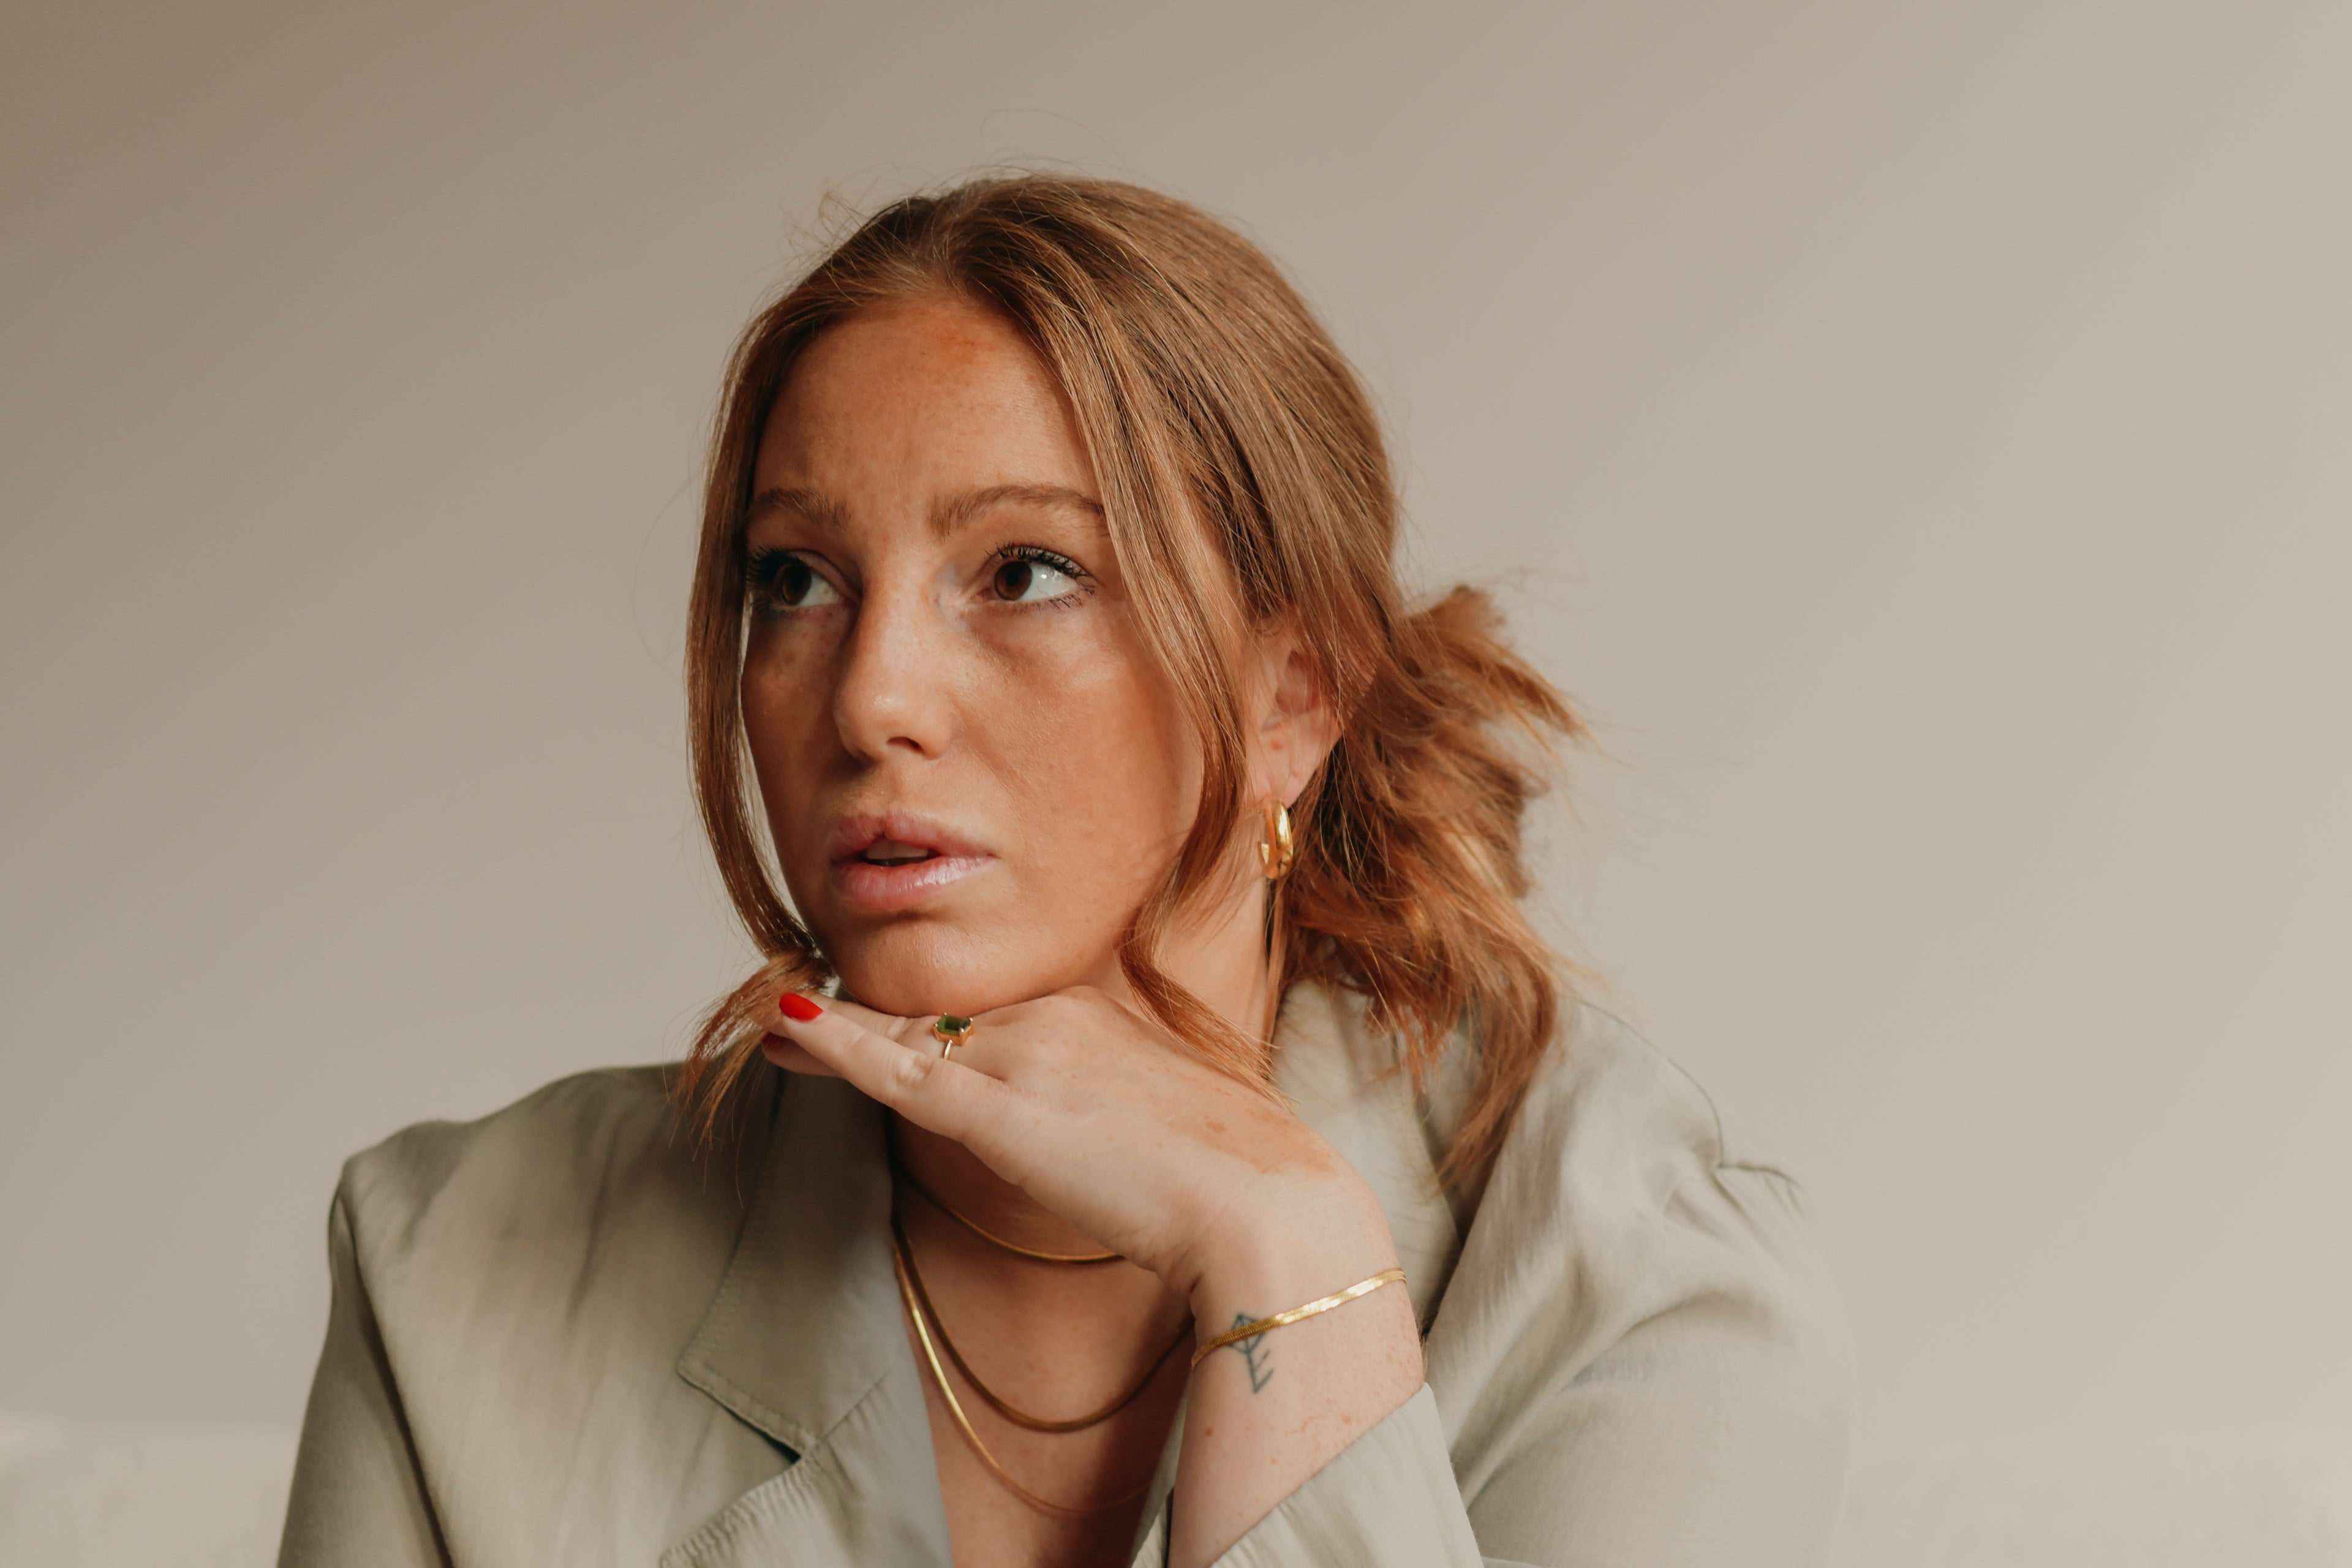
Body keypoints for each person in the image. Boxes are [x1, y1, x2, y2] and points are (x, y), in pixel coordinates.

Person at [277, 176, 1852, 1568]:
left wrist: (1294, 1267)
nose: (871, 697)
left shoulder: (1641, 1287)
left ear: (1293, 695)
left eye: (1027, 571)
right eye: (798, 579)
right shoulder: (453, 1264)